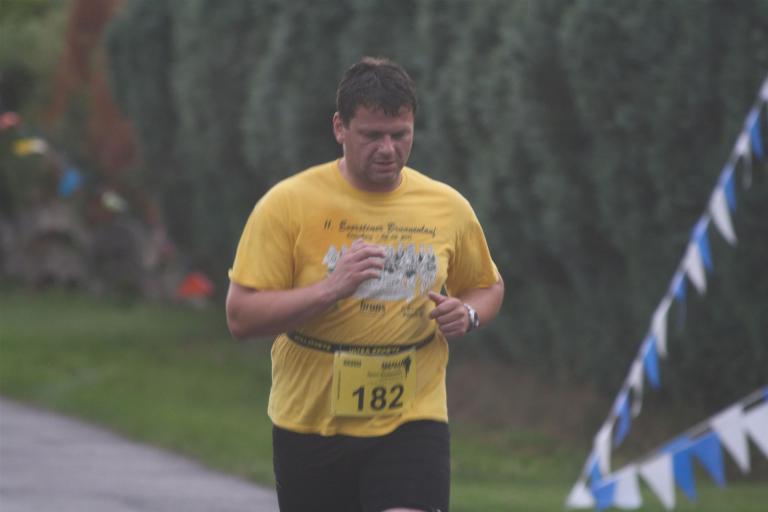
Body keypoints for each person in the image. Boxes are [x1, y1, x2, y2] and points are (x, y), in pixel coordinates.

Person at [226, 56, 504, 512]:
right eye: (372, 135)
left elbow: (487, 286)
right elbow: (240, 317)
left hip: (412, 417)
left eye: (400, 134)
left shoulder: (447, 206)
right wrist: (329, 289)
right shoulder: (288, 204)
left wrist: (469, 313)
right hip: (311, 421)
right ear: (340, 127)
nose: (388, 149)